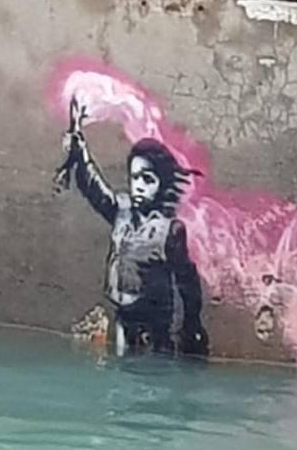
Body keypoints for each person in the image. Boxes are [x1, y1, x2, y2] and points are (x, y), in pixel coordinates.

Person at [54, 97, 209, 356]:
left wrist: (192, 322)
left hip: (157, 321)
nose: (139, 186)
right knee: (123, 367)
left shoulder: (169, 230)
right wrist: (78, 145)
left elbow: (187, 280)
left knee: (154, 372)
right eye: (135, 178)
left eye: (148, 180)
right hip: (124, 313)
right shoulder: (122, 211)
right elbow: (94, 187)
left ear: (161, 185)